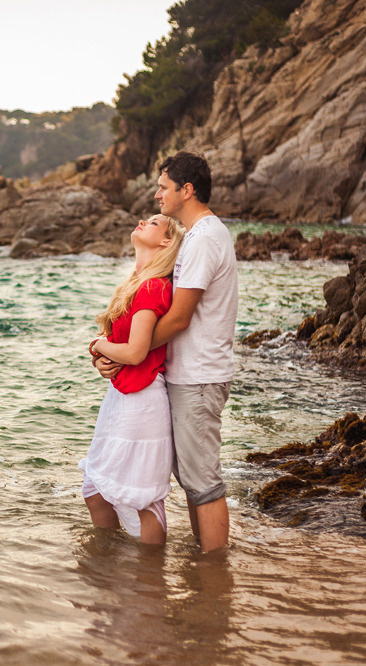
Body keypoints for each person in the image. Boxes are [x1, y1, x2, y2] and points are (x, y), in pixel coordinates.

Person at [95, 151, 238, 553]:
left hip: (200, 376)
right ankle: (200, 562)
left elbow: (178, 319)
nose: (158, 195)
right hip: (186, 374)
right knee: (192, 476)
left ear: (186, 190)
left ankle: (214, 576)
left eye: (163, 187)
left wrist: (128, 351)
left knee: (203, 480)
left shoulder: (206, 237)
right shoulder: (196, 238)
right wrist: (122, 352)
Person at [80, 213, 185, 544]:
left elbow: (137, 351)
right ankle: (111, 566)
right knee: (96, 491)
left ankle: (150, 579)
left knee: (142, 499)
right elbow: (122, 349)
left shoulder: (153, 286)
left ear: (166, 241)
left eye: (153, 222)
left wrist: (97, 345)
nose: (142, 221)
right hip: (121, 396)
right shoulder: (136, 283)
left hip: (142, 399)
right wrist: (102, 359)